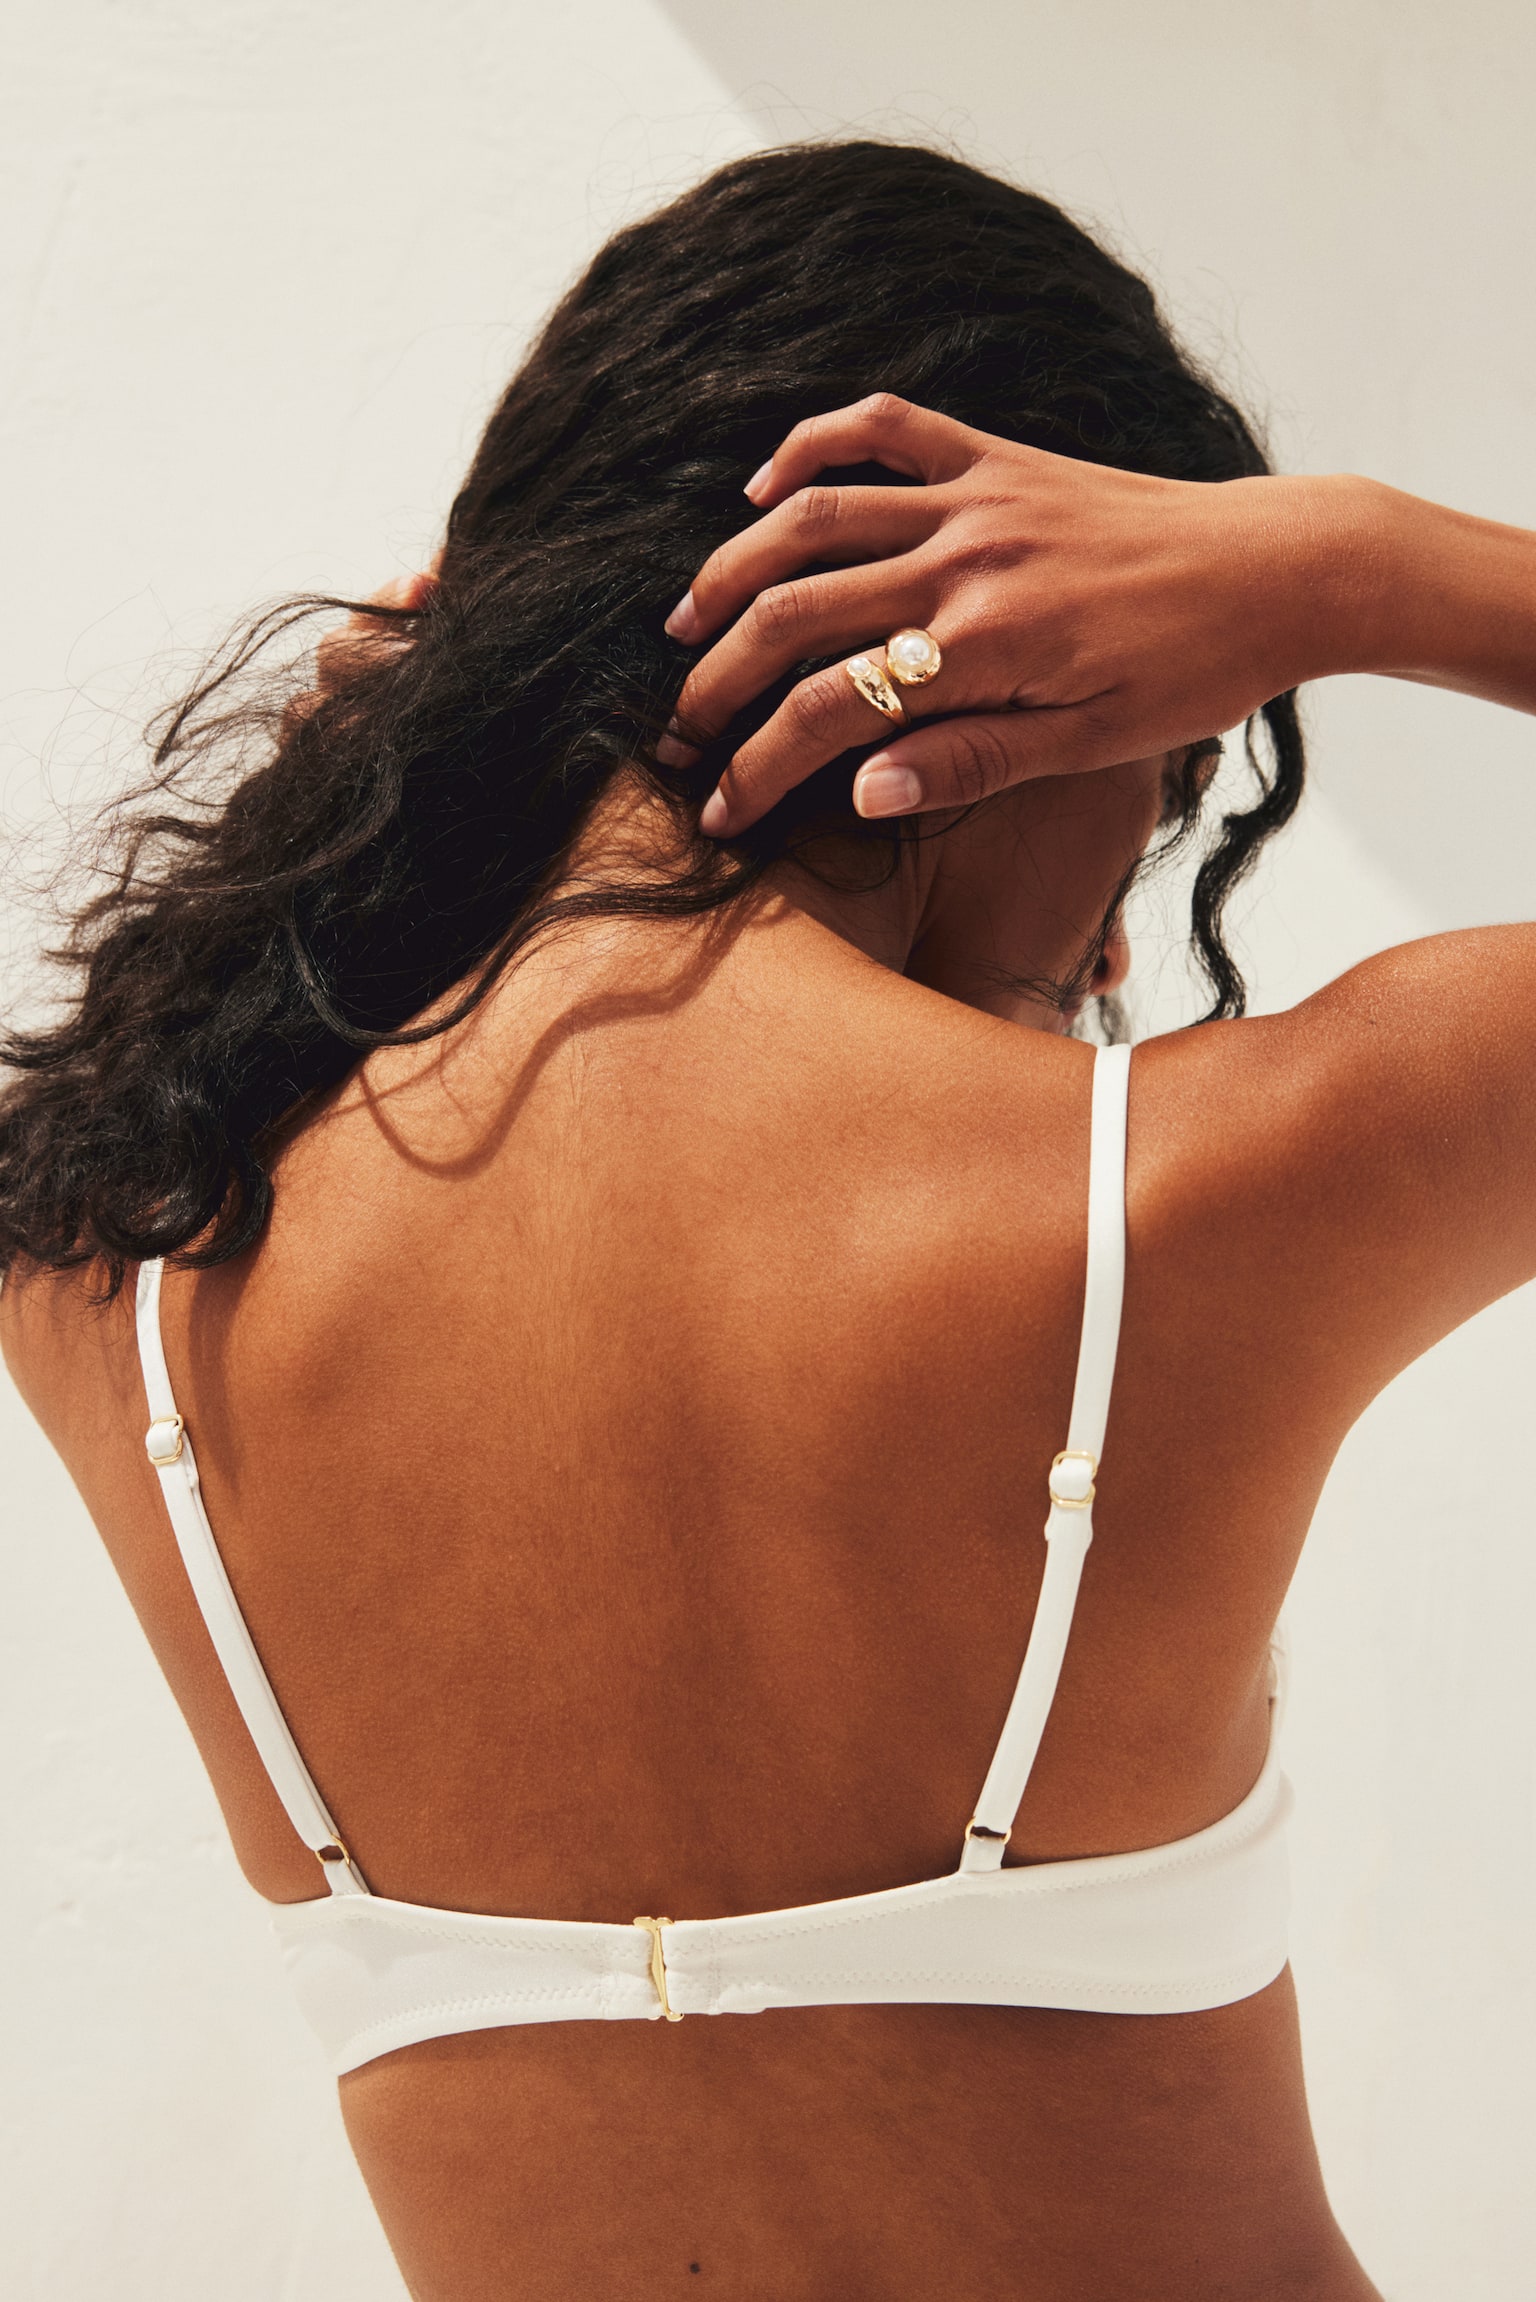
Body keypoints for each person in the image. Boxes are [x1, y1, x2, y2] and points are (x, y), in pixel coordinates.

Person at [1, 137, 1532, 2302]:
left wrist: (442, 727)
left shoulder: (105, 1267)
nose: (1123, 933)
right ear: (1020, 660)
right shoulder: (1198, 1196)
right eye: (1173, 768)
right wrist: (1367, 572)